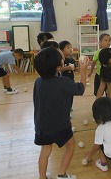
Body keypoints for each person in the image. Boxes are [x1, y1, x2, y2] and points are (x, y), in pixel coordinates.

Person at [33, 47, 89, 179]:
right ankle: (62, 175)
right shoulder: (63, 82)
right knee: (70, 146)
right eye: (61, 57)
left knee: (45, 151)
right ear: (59, 66)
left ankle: (42, 177)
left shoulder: (38, 81)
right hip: (60, 125)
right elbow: (80, 89)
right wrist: (83, 70)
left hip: (42, 125)